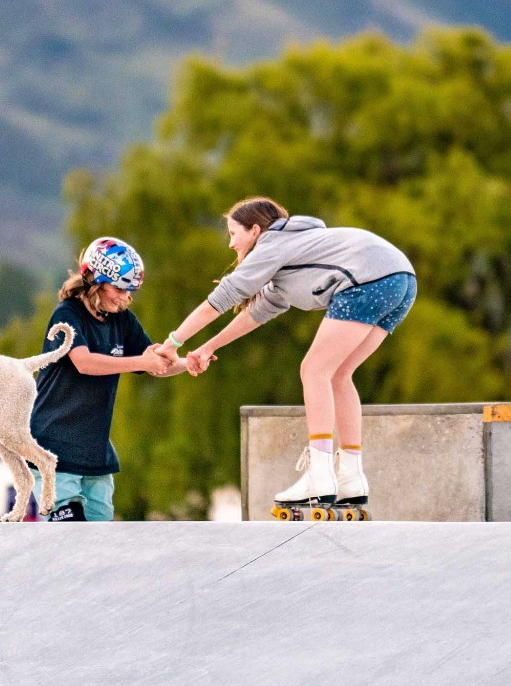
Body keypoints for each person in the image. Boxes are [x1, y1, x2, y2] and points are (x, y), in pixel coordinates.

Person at [156, 198, 416, 514]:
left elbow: (223, 297)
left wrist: (173, 341)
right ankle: (351, 477)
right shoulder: (293, 254)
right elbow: (255, 312)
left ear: (255, 230)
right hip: (401, 280)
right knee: (338, 375)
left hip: (368, 279)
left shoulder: (273, 243)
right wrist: (208, 348)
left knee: (313, 370)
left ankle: (320, 475)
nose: (230, 243)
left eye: (233, 233)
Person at [26, 236, 184, 521]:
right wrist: (141, 360)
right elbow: (84, 362)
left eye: (130, 291)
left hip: (95, 452)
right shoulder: (67, 314)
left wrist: (187, 362)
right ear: (95, 281)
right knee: (68, 536)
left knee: (102, 537)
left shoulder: (122, 319)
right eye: (120, 289)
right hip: (53, 446)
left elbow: (153, 363)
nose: (125, 298)